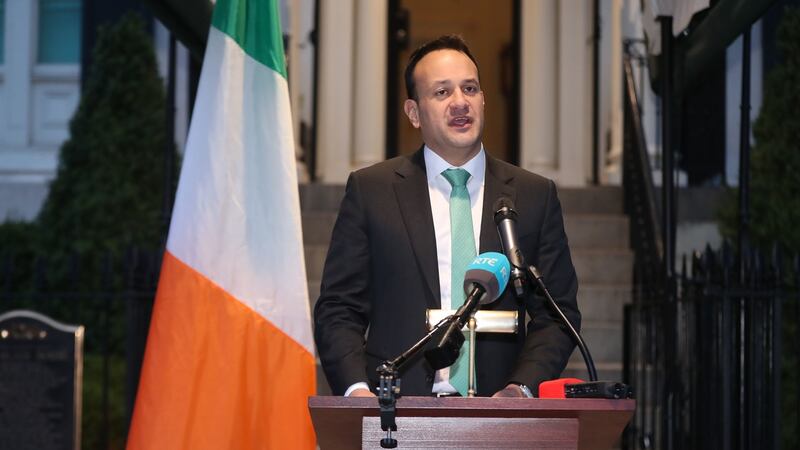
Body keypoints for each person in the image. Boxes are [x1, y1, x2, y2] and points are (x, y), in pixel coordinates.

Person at [314, 35, 580, 398]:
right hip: (395, 409)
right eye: (442, 92)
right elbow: (339, 308)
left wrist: (520, 389)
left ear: (483, 100)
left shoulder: (534, 196)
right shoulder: (372, 191)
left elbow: (557, 315)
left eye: (470, 88)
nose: (460, 102)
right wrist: (358, 391)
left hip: (501, 415)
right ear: (413, 113)